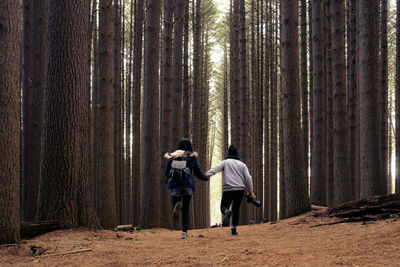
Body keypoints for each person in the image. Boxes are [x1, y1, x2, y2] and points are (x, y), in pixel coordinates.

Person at [205, 145, 255, 235]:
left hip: (228, 189)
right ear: (237, 154)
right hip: (240, 190)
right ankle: (234, 229)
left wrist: (206, 176)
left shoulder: (225, 162)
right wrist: (251, 192)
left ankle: (227, 212)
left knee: (223, 207)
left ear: (228, 154)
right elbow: (248, 178)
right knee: (236, 209)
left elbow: (215, 170)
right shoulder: (242, 165)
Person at [164, 138, 209, 239]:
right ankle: (184, 233)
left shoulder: (173, 156)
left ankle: (176, 204)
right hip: (187, 186)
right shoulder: (191, 157)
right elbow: (197, 172)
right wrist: (205, 178)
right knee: (186, 210)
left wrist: (168, 177)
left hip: (175, 185)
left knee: (176, 202)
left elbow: (166, 172)